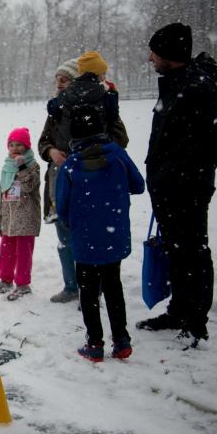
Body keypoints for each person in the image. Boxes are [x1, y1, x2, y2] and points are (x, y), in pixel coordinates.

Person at [137, 22, 217, 347]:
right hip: (169, 188)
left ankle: (196, 322)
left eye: (154, 52)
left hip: (186, 190)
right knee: (177, 251)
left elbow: (209, 147)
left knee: (193, 253)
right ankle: (178, 310)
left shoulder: (198, 88)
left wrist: (182, 180)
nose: (150, 58)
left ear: (169, 54)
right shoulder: (175, 84)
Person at [55, 91, 146, 362]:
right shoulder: (117, 155)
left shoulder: (71, 165)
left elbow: (61, 207)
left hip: (84, 240)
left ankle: (95, 343)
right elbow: (138, 185)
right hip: (113, 236)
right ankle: (122, 340)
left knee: (88, 291)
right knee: (113, 286)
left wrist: (74, 222)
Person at [38, 53, 130, 303]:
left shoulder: (102, 108)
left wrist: (89, 152)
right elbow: (43, 142)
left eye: (65, 79)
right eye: (57, 79)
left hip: (91, 180)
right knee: (64, 237)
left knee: (91, 237)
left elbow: (120, 140)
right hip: (59, 180)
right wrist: (51, 151)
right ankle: (71, 286)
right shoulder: (55, 110)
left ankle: (93, 290)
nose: (59, 84)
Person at [0, 127, 41, 300]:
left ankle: (23, 284)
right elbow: (2, 194)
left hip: (26, 218)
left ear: (26, 147)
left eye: (20, 145)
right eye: (12, 145)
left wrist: (23, 166)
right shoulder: (6, 167)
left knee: (24, 252)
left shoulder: (32, 165)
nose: (15, 148)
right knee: (6, 250)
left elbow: (29, 187)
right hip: (9, 218)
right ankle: (5, 280)